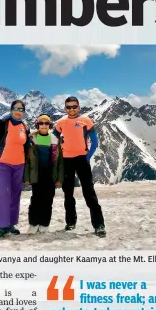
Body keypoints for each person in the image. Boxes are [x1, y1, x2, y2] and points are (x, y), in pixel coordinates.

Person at [54, 96, 106, 237]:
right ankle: (70, 222)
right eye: (69, 107)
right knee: (68, 193)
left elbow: (95, 142)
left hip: (82, 160)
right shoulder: (60, 123)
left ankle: (99, 224)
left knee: (89, 192)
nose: (72, 109)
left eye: (74, 106)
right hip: (66, 161)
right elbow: (53, 140)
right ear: (65, 108)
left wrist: (87, 158)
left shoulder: (86, 121)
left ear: (79, 107)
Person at [0, 99, 30, 240]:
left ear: (24, 112)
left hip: (19, 165)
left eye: (21, 109)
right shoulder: (3, 124)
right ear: (11, 110)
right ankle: (3, 226)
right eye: (16, 109)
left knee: (15, 194)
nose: (18, 112)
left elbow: (25, 144)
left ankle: (11, 223)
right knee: (4, 193)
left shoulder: (24, 126)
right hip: (3, 164)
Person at [24, 114, 64, 234]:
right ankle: (33, 224)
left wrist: (59, 178)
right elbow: (27, 160)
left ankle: (44, 224)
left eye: (46, 123)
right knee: (36, 199)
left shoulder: (55, 140)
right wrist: (26, 177)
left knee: (48, 200)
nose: (44, 125)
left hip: (50, 174)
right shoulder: (31, 140)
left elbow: (60, 161)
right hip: (36, 174)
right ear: (37, 125)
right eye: (41, 123)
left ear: (50, 125)